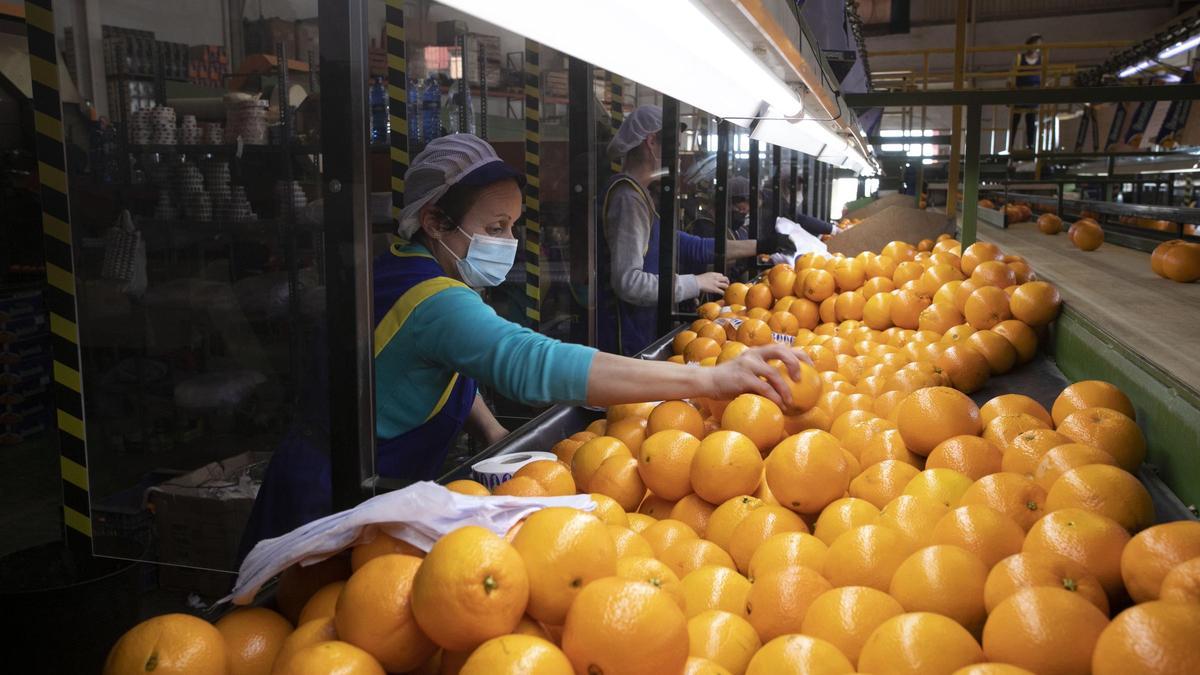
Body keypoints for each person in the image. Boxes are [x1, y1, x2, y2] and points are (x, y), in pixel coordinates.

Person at [239, 133, 807, 555]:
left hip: (328, 478)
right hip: (329, 505)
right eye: (493, 229)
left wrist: (488, 430)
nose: (507, 242)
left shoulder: (398, 267)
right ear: (435, 220)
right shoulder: (436, 299)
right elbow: (529, 361)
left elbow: (443, 362)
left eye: (513, 226)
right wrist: (708, 379)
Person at [600, 105, 759, 356]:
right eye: (674, 143)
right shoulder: (628, 199)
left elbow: (688, 245)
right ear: (651, 142)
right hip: (626, 339)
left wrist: (760, 246)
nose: (677, 154)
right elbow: (628, 282)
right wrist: (694, 283)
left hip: (644, 329)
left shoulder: (641, 196)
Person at [1010, 34, 1043, 152]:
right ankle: (1011, 145)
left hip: (1033, 93)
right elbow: (1012, 73)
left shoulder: (1041, 59)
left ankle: (1030, 145)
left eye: (1039, 44)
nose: (1037, 47)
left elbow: (1043, 75)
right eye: (1035, 44)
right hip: (1020, 92)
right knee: (1015, 119)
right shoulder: (1020, 58)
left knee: (1031, 120)